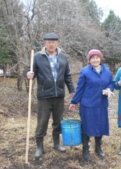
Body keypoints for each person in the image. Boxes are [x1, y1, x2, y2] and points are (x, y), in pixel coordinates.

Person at [27, 32, 75, 160]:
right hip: (44, 96)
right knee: (42, 122)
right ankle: (39, 147)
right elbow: (30, 70)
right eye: (49, 42)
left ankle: (56, 144)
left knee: (58, 121)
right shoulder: (37, 57)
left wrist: (72, 90)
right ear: (45, 43)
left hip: (59, 95)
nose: (51, 44)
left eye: (53, 42)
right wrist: (29, 74)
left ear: (57, 43)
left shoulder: (63, 57)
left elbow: (67, 76)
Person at [69, 49, 114, 161]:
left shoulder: (107, 71)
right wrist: (74, 102)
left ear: (100, 58)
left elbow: (111, 83)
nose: (95, 60)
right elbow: (80, 88)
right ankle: (86, 150)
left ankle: (98, 148)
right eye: (92, 58)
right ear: (89, 60)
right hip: (88, 104)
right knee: (87, 127)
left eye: (97, 57)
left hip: (101, 103)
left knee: (100, 125)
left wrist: (109, 89)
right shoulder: (85, 71)